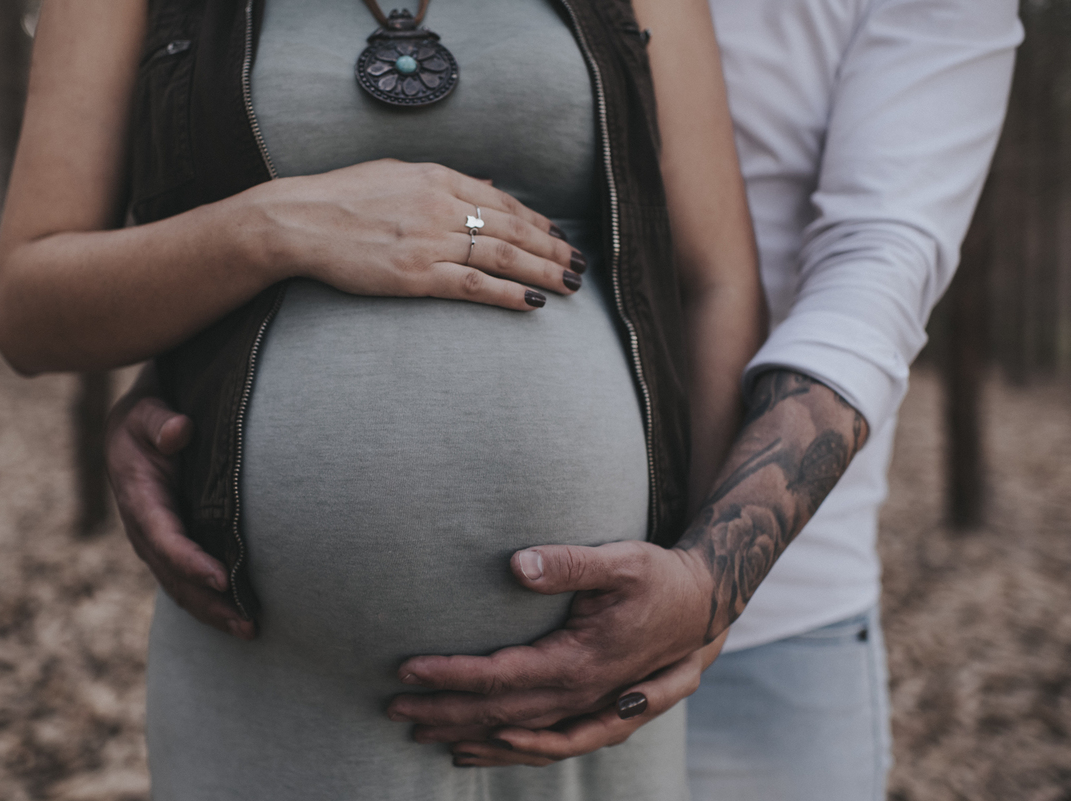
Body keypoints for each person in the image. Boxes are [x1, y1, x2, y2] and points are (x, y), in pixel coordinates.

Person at [107, 0, 1023, 797]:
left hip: (775, 613)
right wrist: (203, 376)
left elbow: (875, 274)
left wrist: (713, 578)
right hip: (307, 665)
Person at [0, 0, 764, 798]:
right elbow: (29, 311)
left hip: (597, 675)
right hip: (275, 676)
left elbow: (718, 281)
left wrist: (703, 580)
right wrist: (275, 226)